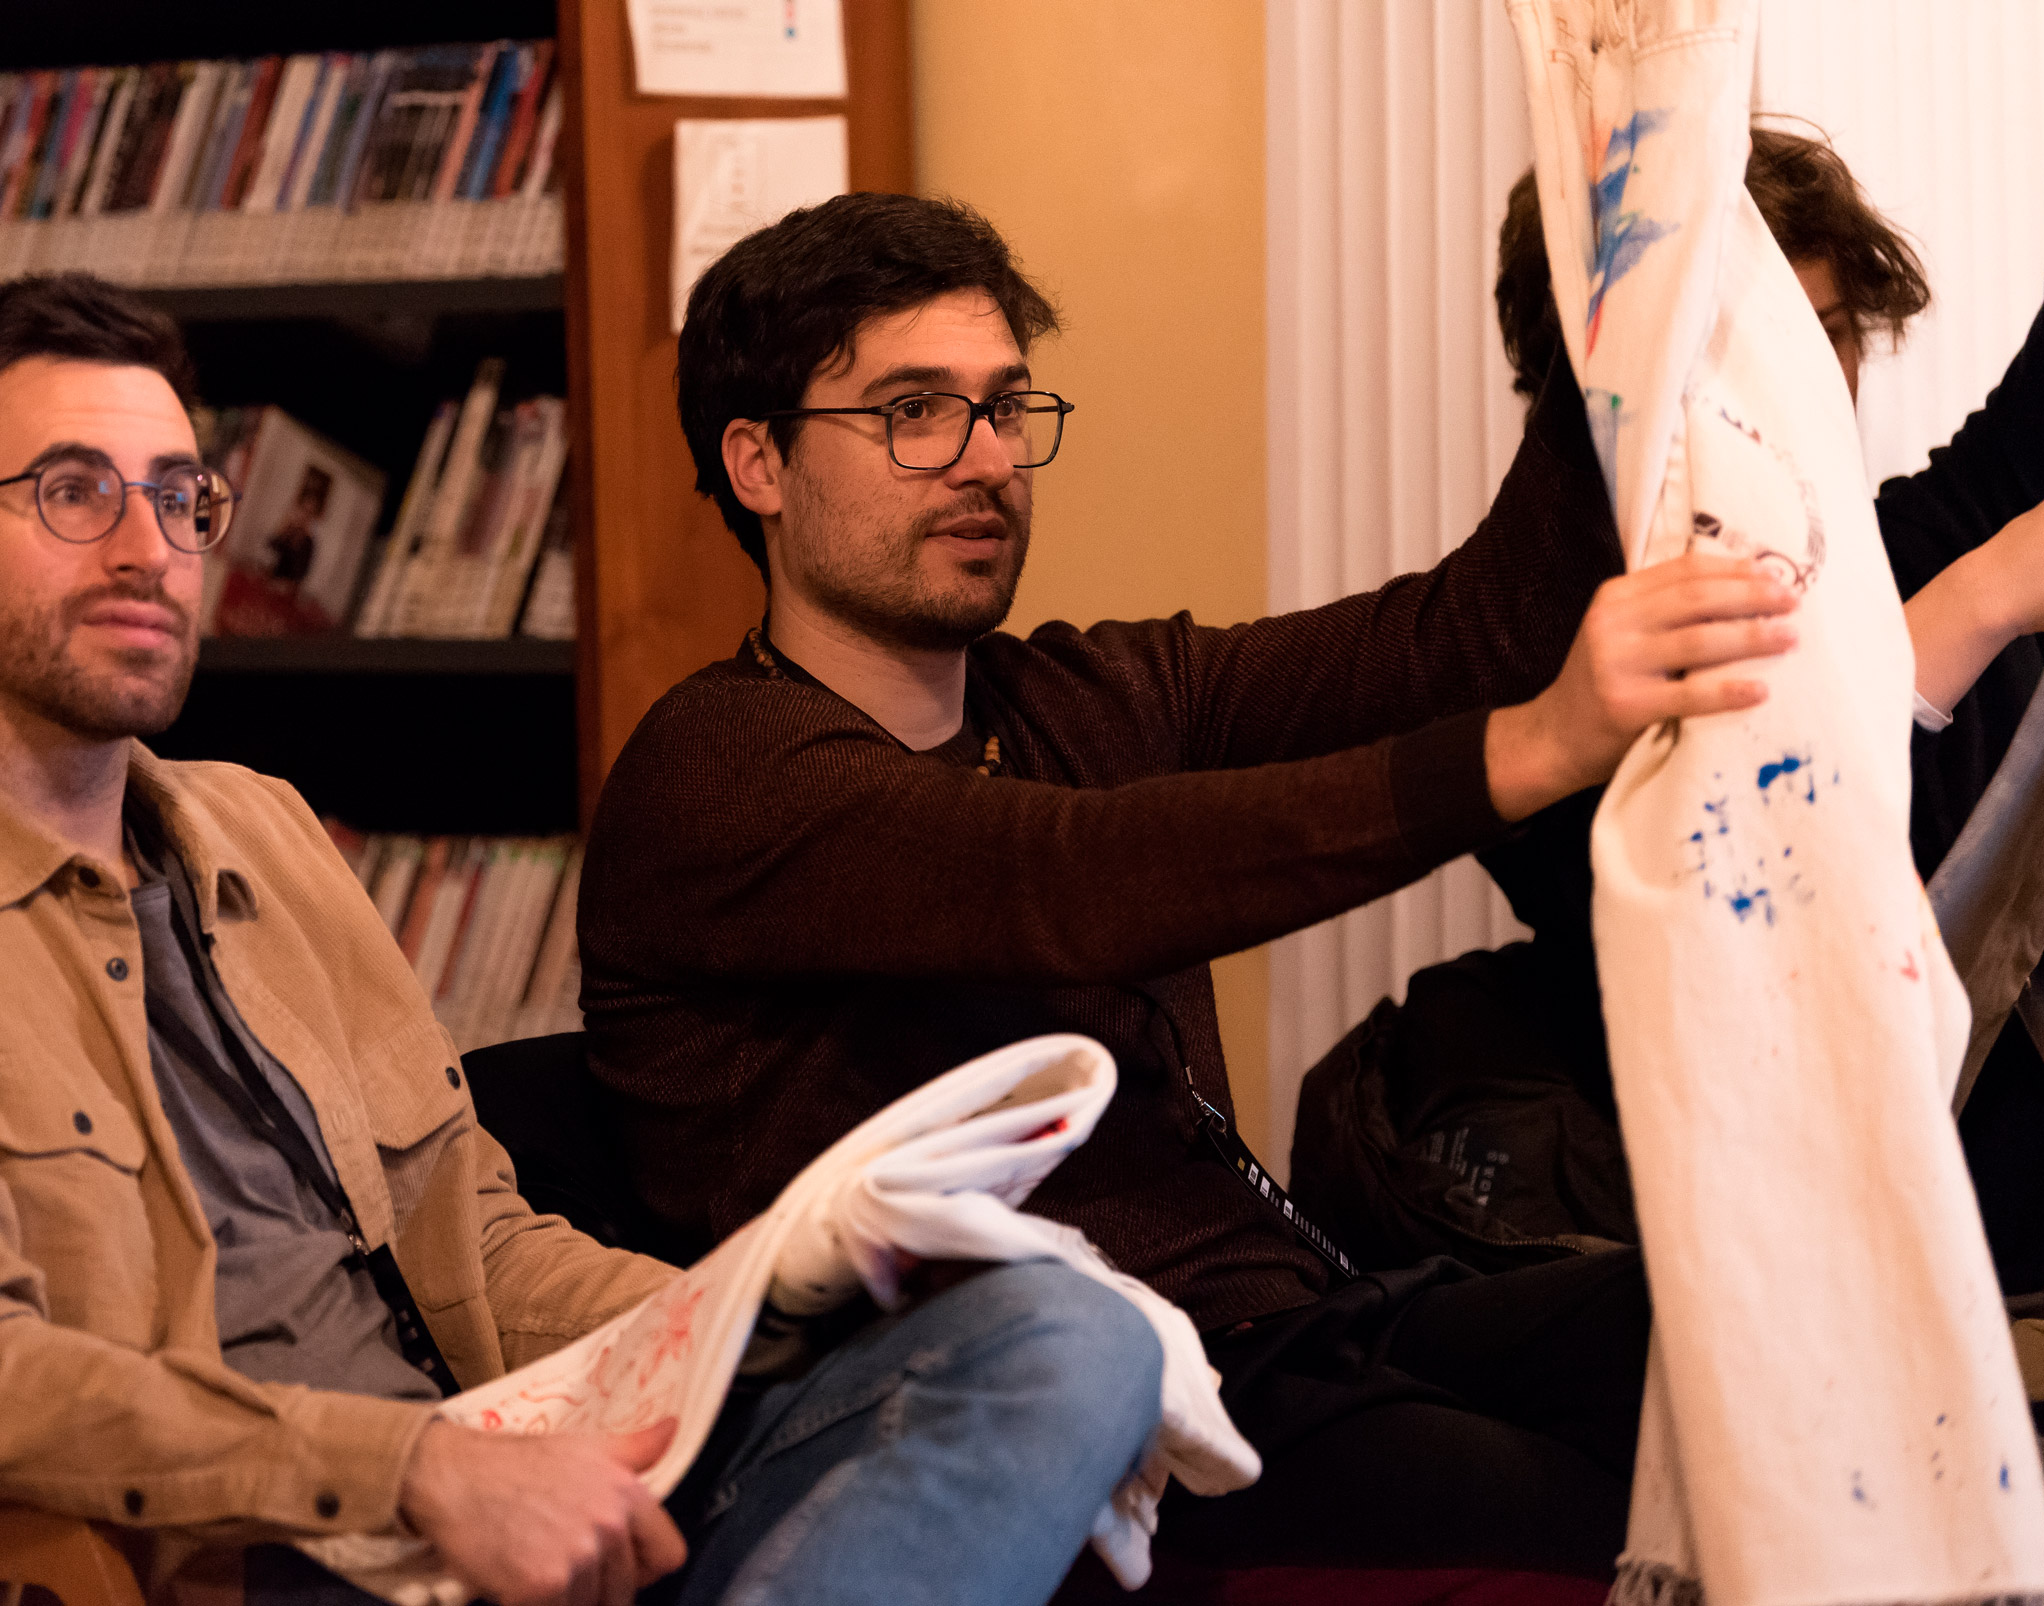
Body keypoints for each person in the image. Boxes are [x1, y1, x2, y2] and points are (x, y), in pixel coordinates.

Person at [0, 272, 1171, 1606]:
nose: (151, 549)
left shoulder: (260, 829)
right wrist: (415, 1469)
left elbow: (479, 1244)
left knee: (1065, 1332)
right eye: (74, 492)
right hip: (246, 1550)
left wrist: (766, 1302)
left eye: (181, 496)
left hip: (499, 1486)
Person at [578, 191, 1803, 1576]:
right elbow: (1065, 881)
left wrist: (1614, 304)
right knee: (1601, 1528)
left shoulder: (1086, 696)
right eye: (915, 411)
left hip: (1289, 1328)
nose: (985, 459)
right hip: (1056, 1436)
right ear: (758, 462)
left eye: (1005, 407)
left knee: (1754, 1333)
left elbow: (1465, 635)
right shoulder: (715, 769)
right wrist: (1521, 753)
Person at [1296, 84, 2044, 1321]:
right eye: (1748, 356)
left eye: (1829, 338)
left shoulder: (1883, 550)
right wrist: (1984, 597)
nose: (1801, 397)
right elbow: (1734, 895)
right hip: (1812, 1298)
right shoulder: (1533, 669)